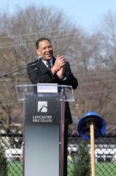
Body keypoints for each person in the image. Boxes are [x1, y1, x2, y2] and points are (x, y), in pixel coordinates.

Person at [27, 37, 78, 175]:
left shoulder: (63, 63)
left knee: (61, 155)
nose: (48, 50)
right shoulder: (33, 66)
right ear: (38, 51)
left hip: (61, 115)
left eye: (49, 47)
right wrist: (54, 70)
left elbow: (74, 84)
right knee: (44, 154)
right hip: (42, 115)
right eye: (44, 48)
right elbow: (38, 84)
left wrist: (63, 78)